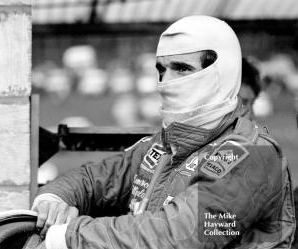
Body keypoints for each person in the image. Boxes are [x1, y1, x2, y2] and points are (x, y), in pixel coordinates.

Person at [32, 16, 295, 249]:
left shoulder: (252, 154)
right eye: (161, 69)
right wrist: (53, 199)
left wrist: (68, 237)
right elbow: (94, 179)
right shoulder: (164, 144)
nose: (165, 83)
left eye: (182, 68)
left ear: (222, 72)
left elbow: (179, 235)